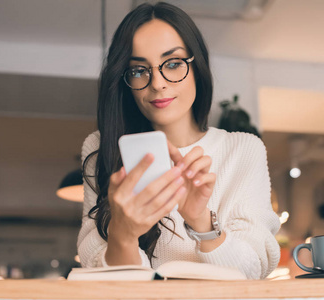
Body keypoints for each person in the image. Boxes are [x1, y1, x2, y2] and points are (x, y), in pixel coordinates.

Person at [77, 2, 280, 279]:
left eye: (173, 64)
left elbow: (253, 271)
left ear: (197, 66)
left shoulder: (243, 150)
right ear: (125, 80)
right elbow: (96, 270)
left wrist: (200, 220)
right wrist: (122, 236)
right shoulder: (103, 148)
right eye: (138, 70)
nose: (157, 83)